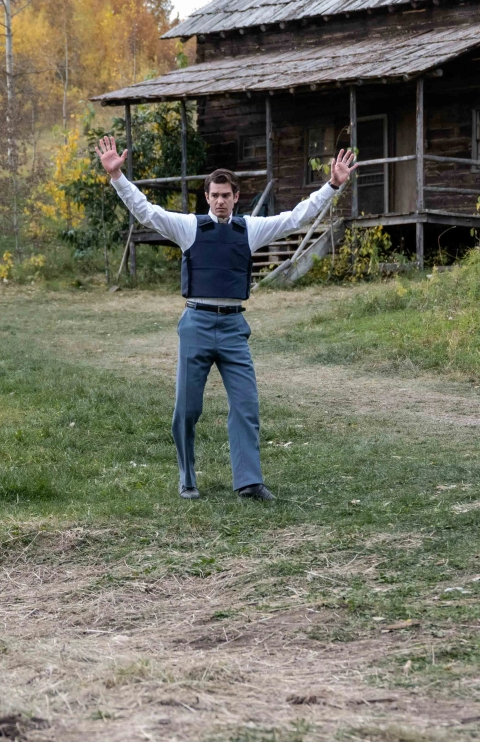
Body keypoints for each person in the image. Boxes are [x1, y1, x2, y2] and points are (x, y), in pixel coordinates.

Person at [97, 134, 354, 500]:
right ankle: (187, 478)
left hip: (234, 326)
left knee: (246, 406)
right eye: (214, 195)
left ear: (236, 197)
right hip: (196, 324)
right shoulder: (189, 227)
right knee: (187, 409)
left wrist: (331, 185)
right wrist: (118, 178)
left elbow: (297, 217)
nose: (220, 201)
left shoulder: (249, 229)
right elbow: (147, 212)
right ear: (207, 198)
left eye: (226, 195)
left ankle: (249, 482)